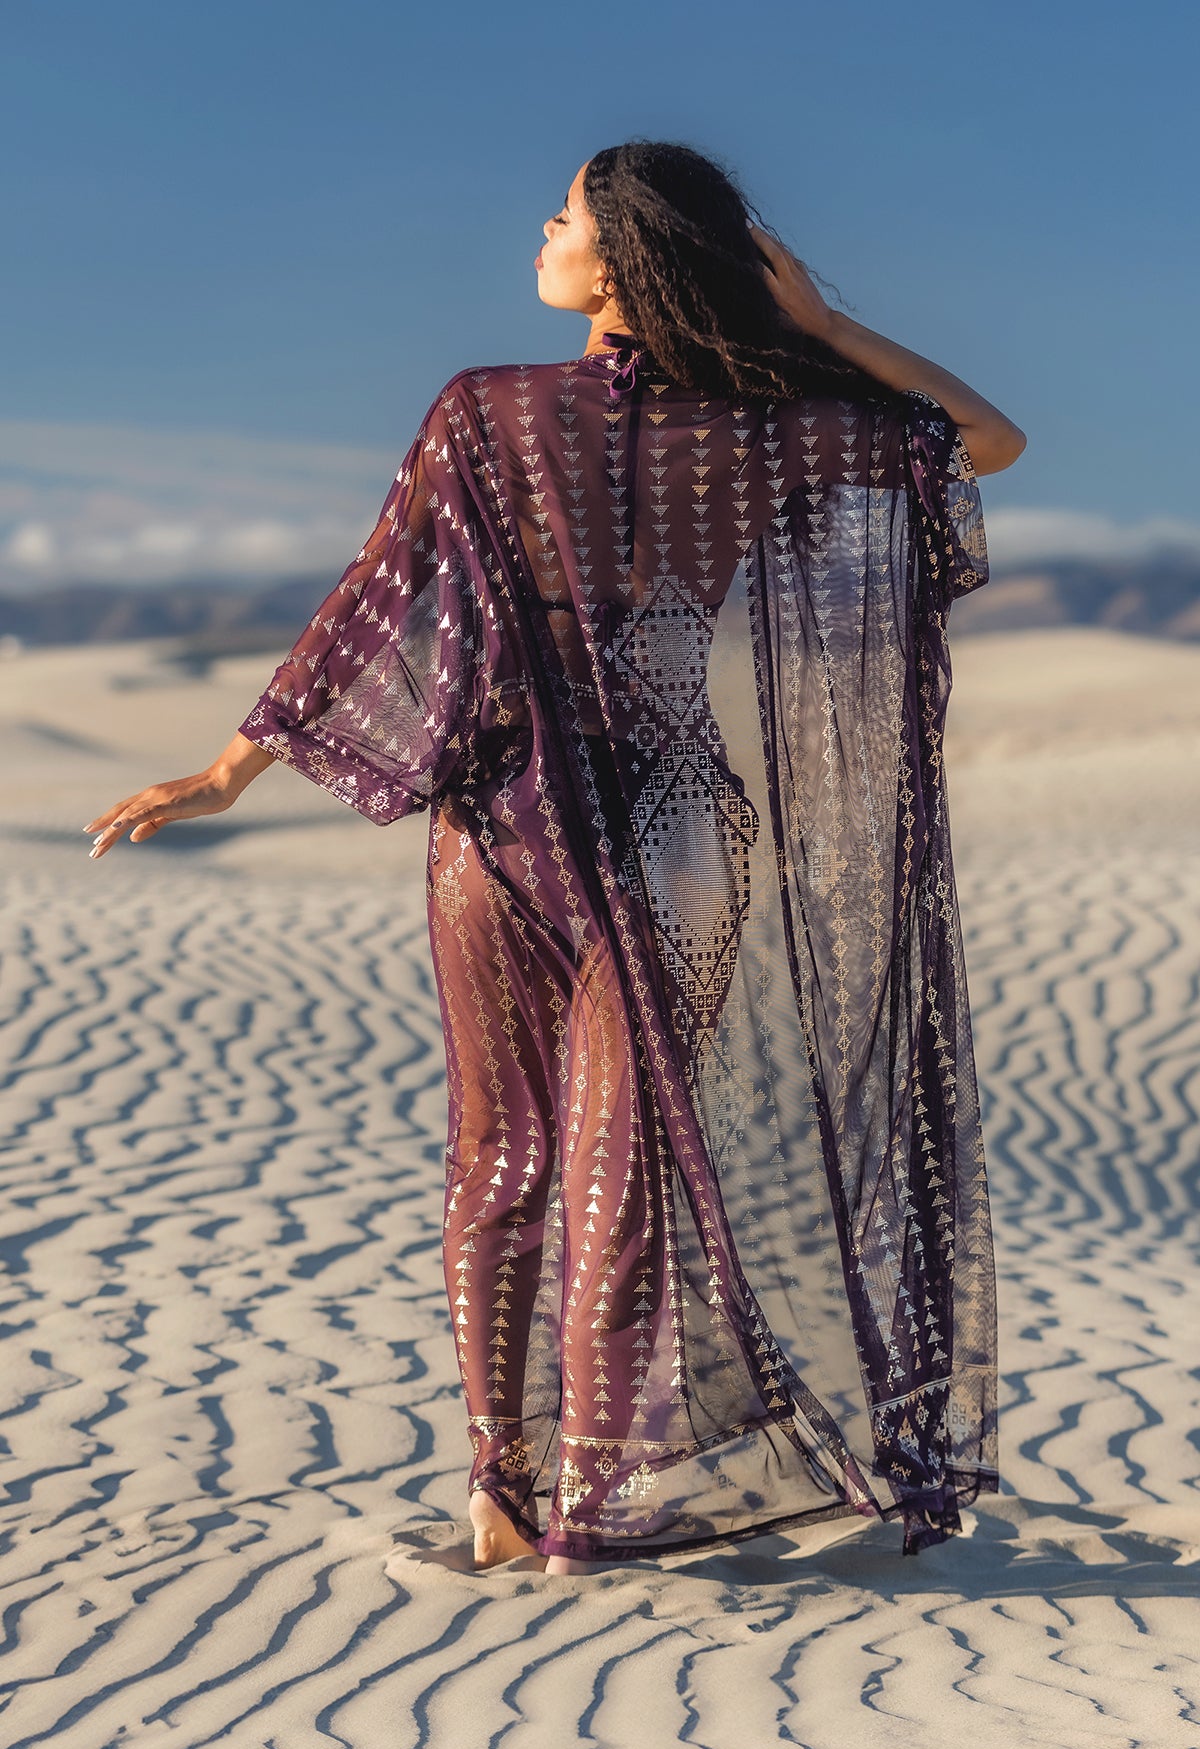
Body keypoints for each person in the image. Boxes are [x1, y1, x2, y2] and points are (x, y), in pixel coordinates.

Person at [84, 141, 1026, 1575]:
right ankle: (592, 1493)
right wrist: (821, 331)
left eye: (567, 215)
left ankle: (505, 1495)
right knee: (613, 1168)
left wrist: (233, 770)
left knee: (504, 1164)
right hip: (673, 830)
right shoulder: (783, 425)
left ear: (624, 258)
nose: (542, 229)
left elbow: (373, 600)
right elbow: (987, 438)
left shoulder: (487, 414)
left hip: (506, 826)